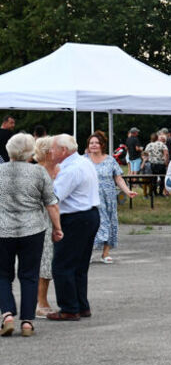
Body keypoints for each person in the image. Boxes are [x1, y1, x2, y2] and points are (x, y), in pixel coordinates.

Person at [0, 134, 63, 336]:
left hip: (3, 230)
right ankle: (27, 321)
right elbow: (51, 204)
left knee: (2, 274)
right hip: (33, 230)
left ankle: (7, 314)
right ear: (30, 152)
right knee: (29, 275)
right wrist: (57, 228)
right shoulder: (38, 172)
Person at [46, 134, 101, 321]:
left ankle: (69, 308)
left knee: (62, 265)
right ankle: (81, 305)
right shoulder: (84, 162)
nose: (50, 151)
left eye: (53, 148)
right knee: (79, 265)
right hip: (89, 214)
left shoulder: (70, 169)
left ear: (63, 150)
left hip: (75, 218)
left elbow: (54, 197)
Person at [86, 132, 136, 263]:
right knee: (90, 225)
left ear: (102, 144)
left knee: (109, 223)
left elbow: (118, 178)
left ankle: (105, 253)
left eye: (96, 143)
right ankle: (87, 253)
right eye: (91, 143)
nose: (94, 145)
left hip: (108, 198)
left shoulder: (110, 160)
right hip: (89, 199)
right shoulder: (83, 160)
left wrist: (127, 191)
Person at [32, 137, 59, 315]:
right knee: (42, 261)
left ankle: (43, 300)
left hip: (56, 219)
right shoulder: (35, 171)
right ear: (47, 152)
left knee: (50, 261)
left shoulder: (59, 169)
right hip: (39, 220)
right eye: (54, 148)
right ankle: (39, 303)